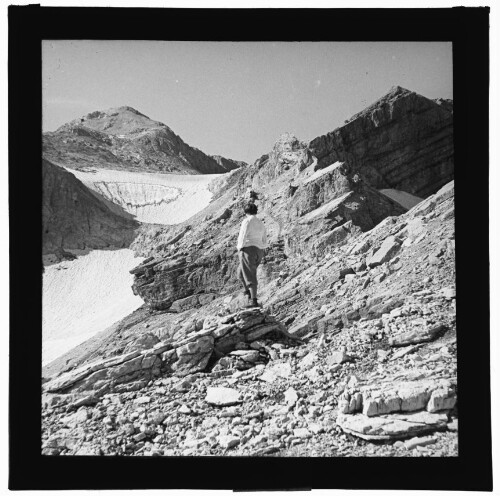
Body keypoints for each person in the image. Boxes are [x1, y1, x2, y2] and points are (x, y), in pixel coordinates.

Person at [237, 202, 267, 308]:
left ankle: (253, 300)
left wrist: (240, 248)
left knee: (250, 275)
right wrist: (262, 247)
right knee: (240, 273)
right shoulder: (260, 222)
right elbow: (264, 237)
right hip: (259, 250)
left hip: (248, 249)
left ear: (246, 212)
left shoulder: (247, 221)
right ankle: (249, 295)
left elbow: (243, 234)